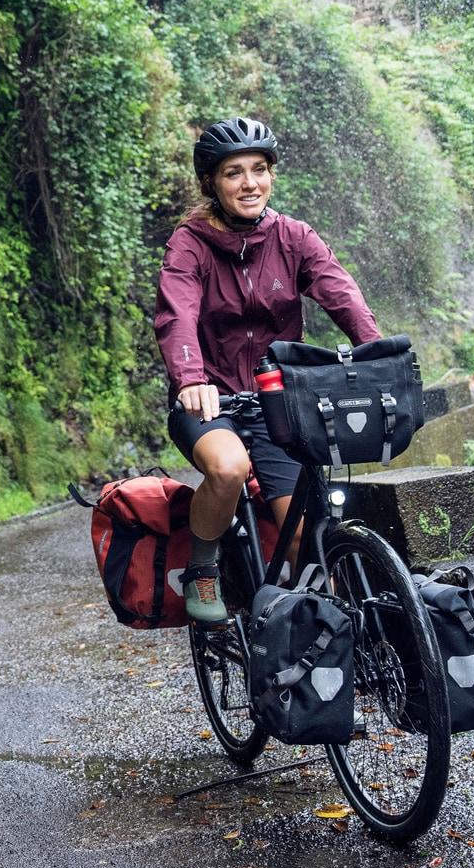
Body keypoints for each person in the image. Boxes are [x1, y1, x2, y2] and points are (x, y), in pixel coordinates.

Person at [153, 116, 381, 621]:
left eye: (259, 169)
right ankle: (203, 566)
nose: (249, 183)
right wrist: (191, 380)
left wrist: (375, 354)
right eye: (234, 172)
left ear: (272, 175)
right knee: (228, 468)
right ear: (211, 183)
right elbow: (177, 315)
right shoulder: (190, 244)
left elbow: (341, 294)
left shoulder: (293, 237)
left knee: (302, 533)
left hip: (277, 399)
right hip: (210, 400)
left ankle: (316, 631)